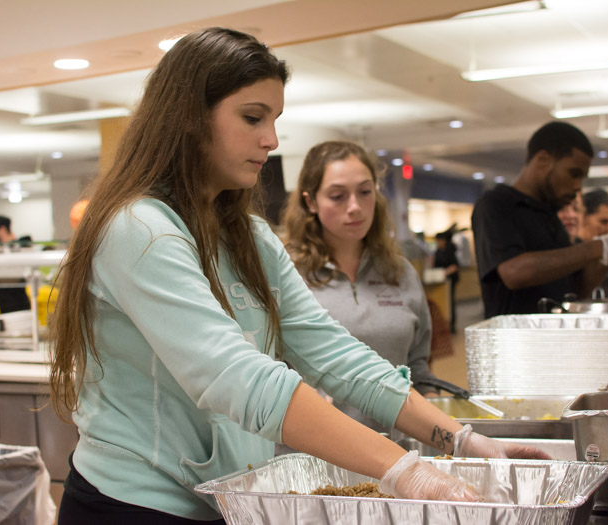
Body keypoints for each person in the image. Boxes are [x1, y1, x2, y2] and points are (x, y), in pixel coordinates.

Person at [49, 27, 549, 525]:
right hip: (132, 505)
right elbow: (238, 379)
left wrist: (462, 438)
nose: (271, 139)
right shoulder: (138, 229)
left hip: (224, 499)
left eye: (274, 119)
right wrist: (404, 469)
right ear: (189, 118)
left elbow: (333, 351)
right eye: (252, 118)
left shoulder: (247, 235)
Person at [280, 140, 442, 434]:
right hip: (316, 452)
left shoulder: (400, 271)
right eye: (338, 196)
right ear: (311, 202)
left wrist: (437, 415)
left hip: (396, 451)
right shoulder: (286, 273)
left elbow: (418, 368)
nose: (355, 207)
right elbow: (267, 373)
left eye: (365, 192)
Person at [471, 121, 608, 318]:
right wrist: (598, 247)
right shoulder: (495, 204)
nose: (578, 186)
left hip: (554, 337)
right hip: (516, 342)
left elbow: (577, 289)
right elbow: (515, 272)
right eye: (573, 174)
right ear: (543, 160)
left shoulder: (549, 214)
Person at [432, 228, 460, 334]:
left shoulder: (450, 250)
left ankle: (452, 325)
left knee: (450, 302)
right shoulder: (437, 252)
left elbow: (455, 265)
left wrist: (445, 272)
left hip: (450, 280)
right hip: (440, 282)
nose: (438, 243)